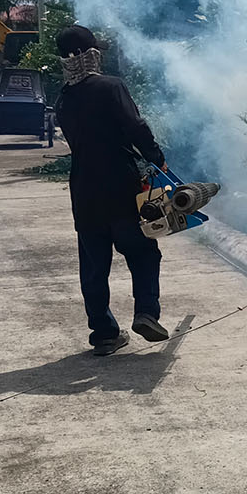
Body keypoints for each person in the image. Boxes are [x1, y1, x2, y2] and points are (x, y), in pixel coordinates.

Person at [53, 25, 170, 354]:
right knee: (143, 253)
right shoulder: (111, 87)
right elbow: (135, 127)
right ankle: (146, 312)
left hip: (84, 194)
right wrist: (157, 159)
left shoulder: (63, 100)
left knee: (93, 268)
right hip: (121, 187)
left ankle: (104, 334)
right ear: (92, 54)